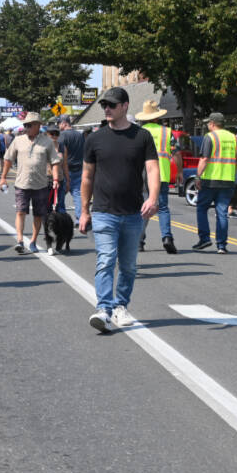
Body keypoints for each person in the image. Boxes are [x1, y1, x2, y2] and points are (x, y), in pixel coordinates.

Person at [78, 87, 159, 333]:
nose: (107, 109)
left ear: (125, 106)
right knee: (105, 260)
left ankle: (120, 305)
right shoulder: (94, 138)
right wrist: (84, 210)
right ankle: (104, 309)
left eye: (112, 105)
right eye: (105, 105)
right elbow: (87, 176)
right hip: (103, 211)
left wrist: (153, 197)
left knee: (128, 265)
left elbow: (153, 169)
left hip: (133, 213)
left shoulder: (142, 136)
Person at [0, 112, 62, 253]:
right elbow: (8, 159)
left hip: (41, 185)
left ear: (38, 126)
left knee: (38, 215)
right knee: (20, 212)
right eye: (25, 125)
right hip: (22, 183)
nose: (26, 128)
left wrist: (56, 179)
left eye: (29, 125)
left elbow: (55, 162)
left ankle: (33, 241)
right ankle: (20, 241)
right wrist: (3, 177)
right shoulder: (18, 140)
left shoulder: (47, 142)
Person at [134, 99, 177, 254]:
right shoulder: (167, 132)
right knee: (163, 208)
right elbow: (176, 153)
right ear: (157, 117)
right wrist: (178, 172)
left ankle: (138, 241)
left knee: (143, 207)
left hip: (142, 174)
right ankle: (167, 238)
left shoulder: (138, 132)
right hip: (163, 174)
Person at [193, 112, 237, 254]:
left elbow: (204, 159)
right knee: (222, 212)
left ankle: (205, 238)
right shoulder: (234, 138)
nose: (207, 125)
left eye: (208, 123)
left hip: (210, 180)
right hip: (228, 180)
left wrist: (197, 176)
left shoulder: (210, 137)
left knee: (201, 208)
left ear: (212, 124)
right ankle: (221, 245)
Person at [57, 116, 86, 228]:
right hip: (79, 168)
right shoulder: (80, 135)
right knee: (78, 195)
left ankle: (62, 217)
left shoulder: (62, 136)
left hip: (66, 169)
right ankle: (79, 218)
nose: (59, 126)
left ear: (64, 123)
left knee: (61, 194)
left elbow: (60, 153)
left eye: (59, 123)